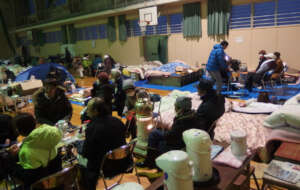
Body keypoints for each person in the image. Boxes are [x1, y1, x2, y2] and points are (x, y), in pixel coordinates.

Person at [137, 97, 204, 168]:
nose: (174, 108)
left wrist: (165, 133)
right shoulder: (194, 115)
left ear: (180, 108)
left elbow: (171, 136)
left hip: (178, 144)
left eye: (175, 106)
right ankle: (153, 158)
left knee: (153, 134)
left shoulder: (182, 120)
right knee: (157, 133)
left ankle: (149, 161)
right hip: (186, 141)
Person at [4, 113, 62, 188]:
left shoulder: (26, 151)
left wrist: (11, 159)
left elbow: (28, 178)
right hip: (56, 179)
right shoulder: (49, 134)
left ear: (18, 130)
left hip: (41, 184)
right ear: (35, 123)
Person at [81, 98, 127, 190]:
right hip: (123, 161)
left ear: (95, 111)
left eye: (88, 109)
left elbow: (86, 154)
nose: (87, 111)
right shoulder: (117, 121)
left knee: (79, 163)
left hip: (105, 166)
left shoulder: (92, 127)